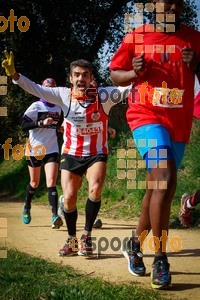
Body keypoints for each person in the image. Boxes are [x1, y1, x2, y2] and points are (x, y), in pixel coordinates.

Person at [2, 51, 130, 257]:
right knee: (69, 198)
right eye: (77, 75)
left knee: (95, 189)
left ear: (91, 78)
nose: (81, 78)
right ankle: (72, 239)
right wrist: (15, 75)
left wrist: (145, 74)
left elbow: (129, 89)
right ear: (71, 79)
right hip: (70, 153)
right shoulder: (62, 94)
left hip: (96, 153)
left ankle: (86, 236)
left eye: (85, 74)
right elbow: (35, 88)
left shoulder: (104, 95)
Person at [109, 0, 200, 289]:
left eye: (177, 1)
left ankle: (133, 244)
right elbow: (115, 74)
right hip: (145, 116)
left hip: (179, 123)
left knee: (156, 186)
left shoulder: (194, 39)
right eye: (165, 1)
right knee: (165, 177)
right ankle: (160, 259)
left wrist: (196, 65)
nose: (172, 6)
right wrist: (134, 73)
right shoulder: (136, 37)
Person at [20, 78, 64, 229]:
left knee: (51, 182)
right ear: (42, 90)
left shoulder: (59, 107)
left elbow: (58, 124)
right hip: (35, 149)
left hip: (52, 149)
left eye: (52, 89)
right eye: (46, 89)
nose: (49, 92)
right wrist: (40, 123)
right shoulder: (36, 106)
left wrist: (60, 128)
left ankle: (54, 216)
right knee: (34, 183)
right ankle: (27, 206)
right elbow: (23, 125)